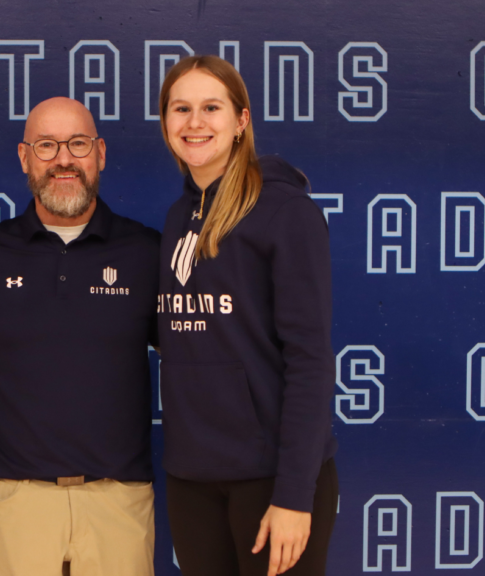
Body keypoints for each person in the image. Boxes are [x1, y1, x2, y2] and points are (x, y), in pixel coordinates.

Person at [0, 97, 160, 576]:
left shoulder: (147, 252)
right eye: (47, 146)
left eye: (78, 144)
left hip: (119, 500)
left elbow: (197, 358)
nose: (64, 159)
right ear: (25, 157)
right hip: (14, 500)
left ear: (101, 154)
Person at [155, 55, 338, 576]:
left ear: (241, 121)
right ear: (165, 122)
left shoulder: (287, 213)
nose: (194, 122)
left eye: (211, 108)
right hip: (192, 477)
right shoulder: (177, 218)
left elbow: (310, 361)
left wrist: (295, 496)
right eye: (180, 108)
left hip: (272, 480)